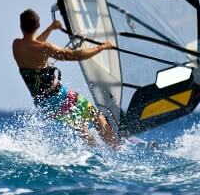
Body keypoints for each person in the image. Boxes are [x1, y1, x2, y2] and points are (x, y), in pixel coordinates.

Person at [12, 8, 120, 147]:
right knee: (95, 116)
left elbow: (33, 44)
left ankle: (97, 152)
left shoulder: (17, 45)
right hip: (59, 96)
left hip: (43, 104)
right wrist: (102, 47)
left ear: (21, 26)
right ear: (37, 26)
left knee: (79, 126)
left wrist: (51, 28)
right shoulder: (45, 47)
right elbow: (75, 55)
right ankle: (116, 147)